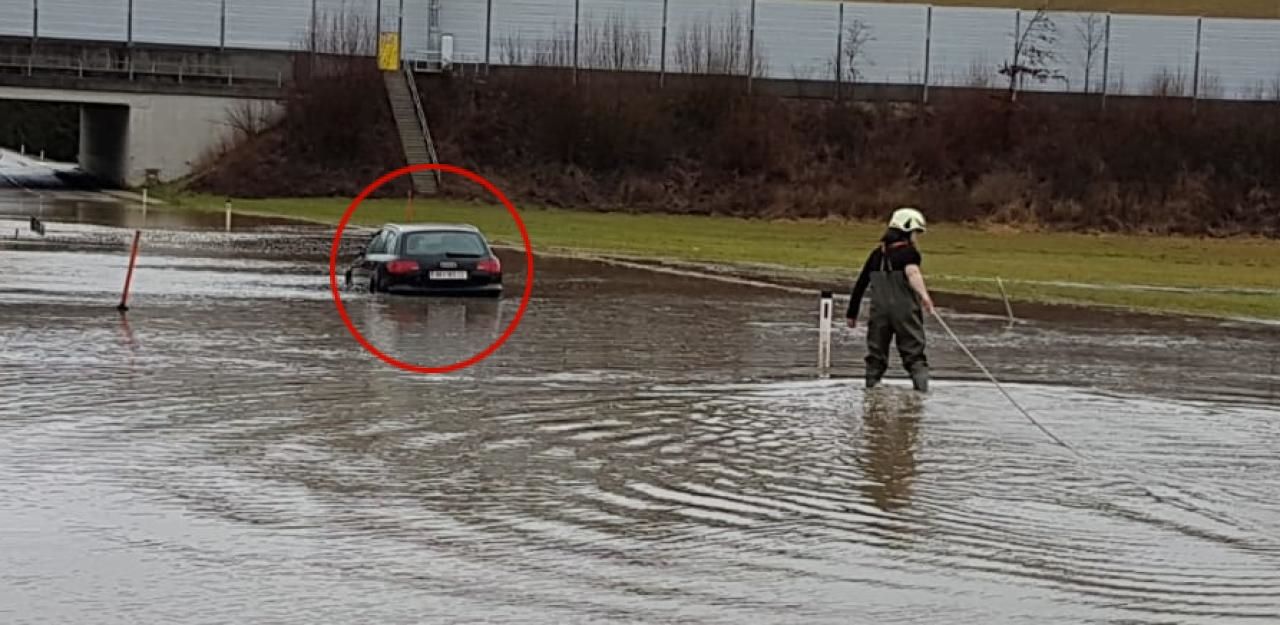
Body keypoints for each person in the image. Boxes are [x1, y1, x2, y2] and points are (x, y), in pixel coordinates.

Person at [845, 207, 935, 393]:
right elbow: (913, 273)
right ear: (907, 231)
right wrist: (925, 297)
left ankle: (871, 393)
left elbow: (861, 283)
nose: (915, 237)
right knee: (914, 354)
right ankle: (921, 394)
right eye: (914, 233)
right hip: (905, 312)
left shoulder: (876, 255)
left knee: (876, 355)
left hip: (879, 314)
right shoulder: (909, 253)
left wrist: (852, 312)